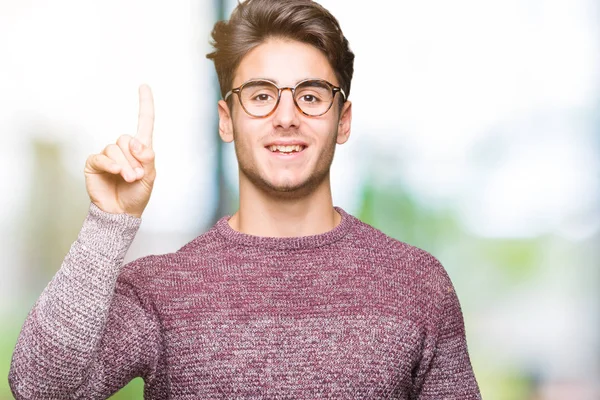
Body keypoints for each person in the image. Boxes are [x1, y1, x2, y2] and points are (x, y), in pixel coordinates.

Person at [9, 0, 481, 398]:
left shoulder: (417, 285)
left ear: (343, 120)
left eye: (311, 97)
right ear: (227, 119)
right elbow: (37, 387)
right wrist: (108, 223)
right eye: (260, 96)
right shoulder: (160, 291)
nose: (286, 117)